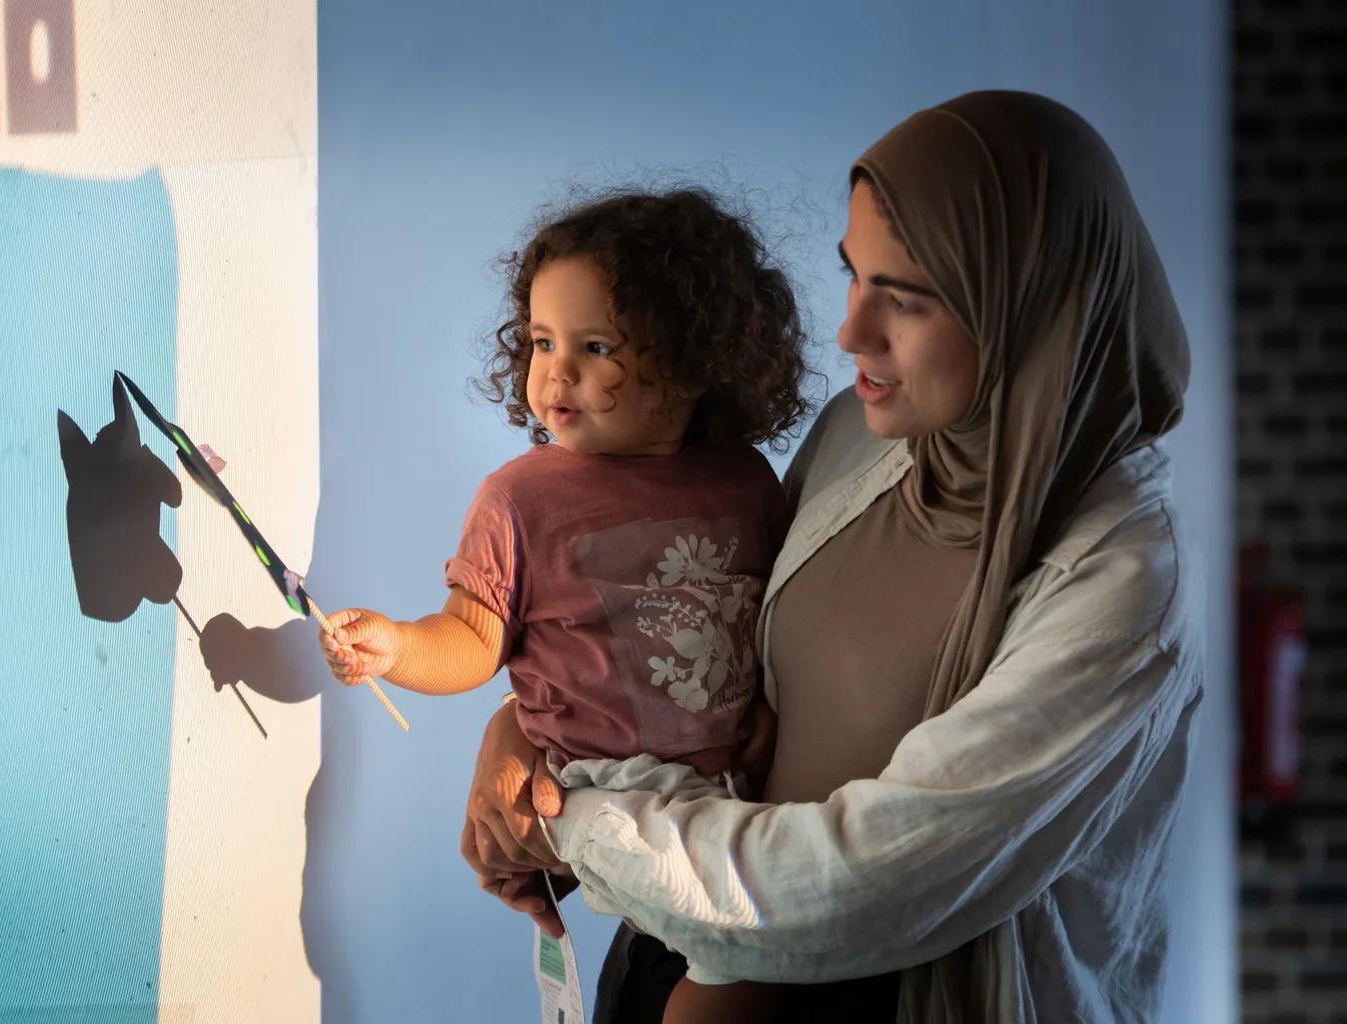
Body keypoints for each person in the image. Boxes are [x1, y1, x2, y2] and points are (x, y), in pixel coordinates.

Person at [460, 90, 1203, 1024]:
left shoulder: (1122, 582)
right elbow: (699, 620)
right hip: (678, 948)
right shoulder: (867, 427)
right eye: (855, 276)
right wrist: (526, 727)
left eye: (909, 297)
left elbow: (868, 887)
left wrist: (576, 822)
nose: (852, 331)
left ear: (1031, 305)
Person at [315, 187, 813, 1018]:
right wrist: (398, 646)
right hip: (600, 789)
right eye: (543, 341)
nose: (557, 370)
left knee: (741, 939)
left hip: (725, 789)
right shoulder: (519, 500)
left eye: (595, 344)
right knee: (734, 952)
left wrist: (770, 706)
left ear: (691, 362)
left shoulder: (745, 479)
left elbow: (776, 612)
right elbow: (472, 638)